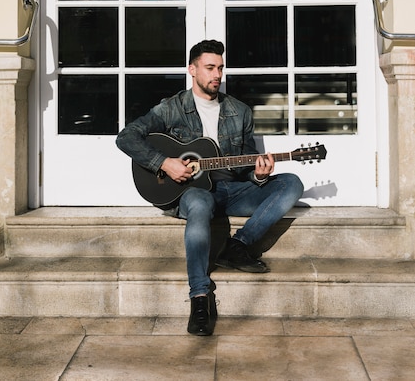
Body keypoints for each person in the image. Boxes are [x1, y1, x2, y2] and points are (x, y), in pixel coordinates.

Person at [116, 39, 304, 336]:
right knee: (201, 202)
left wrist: (258, 176)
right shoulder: (171, 108)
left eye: (220, 68)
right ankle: (199, 297)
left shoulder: (240, 111)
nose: (217, 74)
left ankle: (237, 246)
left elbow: (244, 164)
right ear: (192, 69)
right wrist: (164, 163)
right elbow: (126, 137)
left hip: (231, 190)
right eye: (209, 68)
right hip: (191, 193)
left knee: (292, 183)